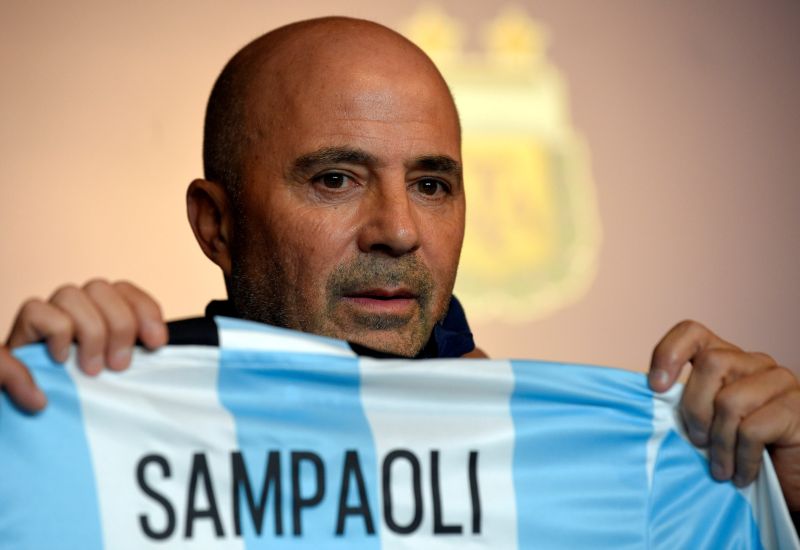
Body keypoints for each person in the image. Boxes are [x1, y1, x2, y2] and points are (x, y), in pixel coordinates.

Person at [1, 16, 798, 516]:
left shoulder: (619, 464)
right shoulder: (105, 412)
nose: (399, 230)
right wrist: (30, 429)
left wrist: (789, 502)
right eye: (335, 179)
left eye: (430, 183)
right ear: (217, 225)